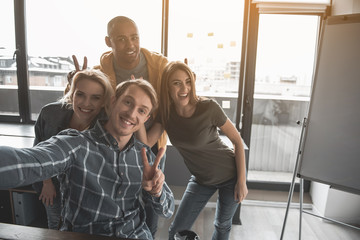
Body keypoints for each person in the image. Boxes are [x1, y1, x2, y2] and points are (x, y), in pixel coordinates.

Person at [0, 79, 175, 240]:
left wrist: (156, 192)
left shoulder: (144, 156)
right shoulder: (77, 143)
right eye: (127, 102)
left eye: (141, 110)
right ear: (113, 101)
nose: (131, 113)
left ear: (146, 118)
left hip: (136, 235)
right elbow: (32, 162)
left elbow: (167, 210)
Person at [66, 16, 169, 236]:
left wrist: (147, 140)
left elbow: (170, 107)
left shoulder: (160, 66)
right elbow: (87, 106)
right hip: (118, 143)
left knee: (154, 199)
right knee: (115, 198)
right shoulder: (101, 71)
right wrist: (72, 86)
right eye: (121, 39)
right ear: (108, 41)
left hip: (153, 145)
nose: (130, 45)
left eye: (134, 37)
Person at [137, 61, 248, 240]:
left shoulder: (208, 107)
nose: (184, 88)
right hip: (201, 179)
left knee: (222, 225)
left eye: (188, 81)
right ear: (167, 86)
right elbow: (146, 142)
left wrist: (241, 181)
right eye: (176, 83)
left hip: (230, 174)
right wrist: (139, 111)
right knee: (176, 231)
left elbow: (237, 141)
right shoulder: (166, 114)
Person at [31, 69, 114, 229]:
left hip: (86, 189)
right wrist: (47, 183)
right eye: (80, 94)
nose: (86, 103)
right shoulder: (50, 114)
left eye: (95, 98)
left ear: (104, 101)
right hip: (51, 183)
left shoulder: (108, 126)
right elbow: (38, 152)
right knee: (55, 224)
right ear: (72, 93)